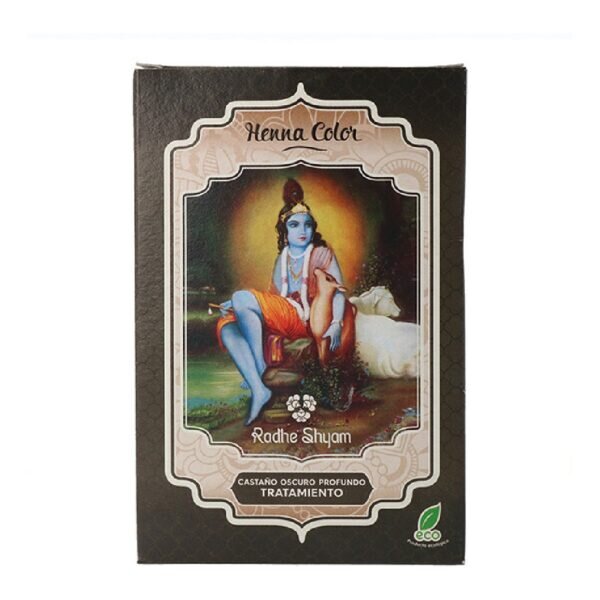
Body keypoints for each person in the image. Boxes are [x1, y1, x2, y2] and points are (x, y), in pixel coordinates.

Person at [216, 178, 347, 425]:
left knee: (241, 297)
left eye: (307, 225)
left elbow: (339, 292)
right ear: (285, 233)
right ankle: (259, 389)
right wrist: (237, 306)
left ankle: (258, 367)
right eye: (294, 225)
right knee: (227, 325)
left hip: (307, 319)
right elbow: (273, 300)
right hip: (284, 316)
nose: (302, 230)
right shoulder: (282, 259)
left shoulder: (322, 253)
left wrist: (337, 323)